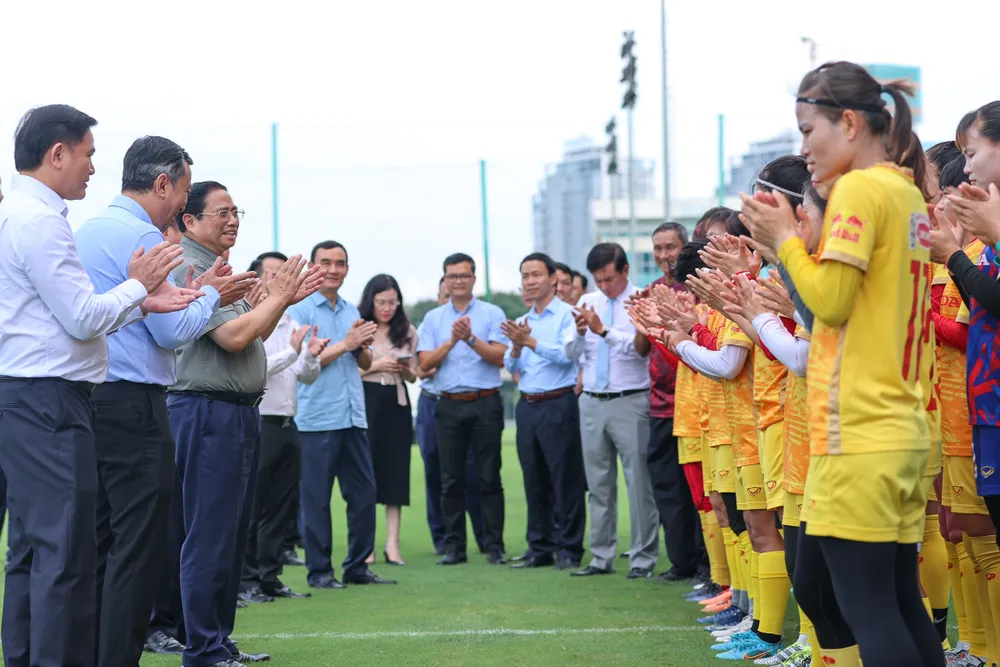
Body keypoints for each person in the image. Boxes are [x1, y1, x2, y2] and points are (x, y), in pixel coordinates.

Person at [742, 60, 942, 667]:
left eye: (808, 131)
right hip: (900, 427)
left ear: (849, 123)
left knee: (868, 610)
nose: (804, 149)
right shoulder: (904, 190)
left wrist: (784, 243)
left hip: (859, 431)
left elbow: (830, 302)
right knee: (900, 605)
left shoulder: (859, 188)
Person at [0, 105, 193, 667]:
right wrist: (138, 286)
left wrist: (140, 301)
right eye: (86, 155)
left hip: (35, 398)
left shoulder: (28, 213)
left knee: (35, 551)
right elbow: (83, 319)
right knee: (64, 552)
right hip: (46, 401)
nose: (91, 168)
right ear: (57, 153)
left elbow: (65, 318)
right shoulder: (37, 220)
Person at [75, 136, 256, 667]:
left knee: (102, 547)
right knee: (138, 550)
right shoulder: (145, 238)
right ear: (162, 184)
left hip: (91, 400)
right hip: (135, 404)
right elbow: (171, 332)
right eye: (183, 191)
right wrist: (209, 296)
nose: (182, 206)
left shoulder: (90, 230)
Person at [168, 181, 323, 667]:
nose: (233, 220)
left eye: (237, 211)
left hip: (235, 412)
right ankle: (203, 646)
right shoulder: (186, 267)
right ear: (189, 221)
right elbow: (234, 338)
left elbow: (251, 329)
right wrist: (276, 300)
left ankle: (217, 639)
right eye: (221, 212)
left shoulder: (219, 270)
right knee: (210, 532)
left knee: (232, 534)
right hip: (206, 409)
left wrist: (275, 302)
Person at [290, 241, 395, 587]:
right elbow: (303, 363)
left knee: (364, 494)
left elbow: (362, 361)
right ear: (313, 267)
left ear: (347, 269)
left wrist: (362, 347)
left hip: (353, 415)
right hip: (316, 416)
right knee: (317, 500)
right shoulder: (301, 310)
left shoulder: (351, 309)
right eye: (326, 263)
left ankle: (358, 566)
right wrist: (347, 344)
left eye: (340, 263)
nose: (334, 269)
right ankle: (320, 572)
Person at [239, 252, 329, 603]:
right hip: (260, 421)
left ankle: (270, 576)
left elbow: (305, 376)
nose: (283, 280)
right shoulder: (250, 320)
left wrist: (310, 355)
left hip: (289, 424)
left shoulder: (290, 321)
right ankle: (245, 581)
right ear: (258, 279)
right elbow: (254, 370)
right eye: (275, 274)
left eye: (287, 273)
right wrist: (293, 353)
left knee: (281, 508)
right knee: (252, 507)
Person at [565, 242, 658, 578]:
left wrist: (603, 330)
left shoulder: (641, 301)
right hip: (591, 399)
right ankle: (600, 557)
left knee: (638, 483)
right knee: (598, 484)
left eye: (609, 279)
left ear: (626, 271)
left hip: (630, 399)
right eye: (598, 280)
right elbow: (572, 354)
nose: (604, 286)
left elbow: (640, 351)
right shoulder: (587, 302)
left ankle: (643, 559)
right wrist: (579, 334)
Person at [418, 252, 509, 566]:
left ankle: (494, 545)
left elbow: (499, 357)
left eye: (464, 275)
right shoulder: (433, 318)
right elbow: (424, 363)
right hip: (449, 404)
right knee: (451, 479)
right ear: (445, 280)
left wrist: (469, 338)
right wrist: (451, 341)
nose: (458, 281)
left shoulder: (491, 312)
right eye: (452, 276)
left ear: (474, 279)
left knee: (489, 478)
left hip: (485, 401)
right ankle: (454, 547)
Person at [502, 253, 586, 570]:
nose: (529, 281)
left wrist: (530, 341)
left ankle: (569, 548)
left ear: (553, 278)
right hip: (528, 404)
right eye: (525, 275)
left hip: (558, 402)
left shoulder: (568, 315)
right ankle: (539, 547)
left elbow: (568, 356)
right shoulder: (525, 321)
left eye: (536, 274)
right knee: (533, 479)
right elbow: (512, 366)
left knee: (565, 479)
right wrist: (516, 346)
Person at [644, 221, 709, 584]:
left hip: (699, 400)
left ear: (684, 248)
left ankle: (706, 565)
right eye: (658, 248)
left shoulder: (699, 287)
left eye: (670, 247)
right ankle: (681, 562)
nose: (664, 255)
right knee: (668, 489)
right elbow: (642, 346)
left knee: (701, 491)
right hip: (660, 403)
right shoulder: (651, 291)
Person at [415, 277, 487, 556]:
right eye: (445, 295)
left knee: (472, 472)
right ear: (439, 296)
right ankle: (442, 538)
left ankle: (482, 536)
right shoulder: (430, 324)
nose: (450, 300)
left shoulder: (477, 321)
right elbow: (420, 368)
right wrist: (446, 348)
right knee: (437, 473)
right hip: (433, 403)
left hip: (463, 403)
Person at [358, 274, 418, 566]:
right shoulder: (359, 328)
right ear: (371, 301)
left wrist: (405, 370)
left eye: (392, 302)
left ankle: (392, 545)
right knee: (366, 474)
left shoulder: (406, 330)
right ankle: (366, 545)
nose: (387, 308)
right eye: (381, 302)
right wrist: (377, 365)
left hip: (397, 402)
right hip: (366, 401)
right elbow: (349, 372)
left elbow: (415, 373)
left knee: (395, 474)